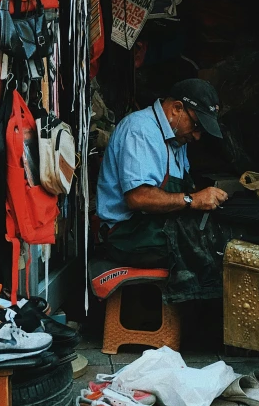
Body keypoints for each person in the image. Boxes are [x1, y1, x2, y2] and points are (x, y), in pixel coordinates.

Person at [96, 79, 228, 272]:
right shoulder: (140, 130)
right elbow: (138, 198)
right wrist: (193, 199)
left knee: (223, 237)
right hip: (127, 235)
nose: (197, 136)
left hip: (153, 226)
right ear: (176, 108)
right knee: (209, 250)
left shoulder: (177, 139)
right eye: (196, 125)